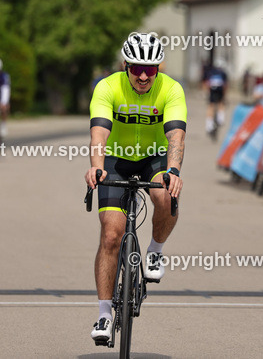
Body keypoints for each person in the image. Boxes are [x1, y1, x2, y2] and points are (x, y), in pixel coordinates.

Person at [85, 32, 185, 344]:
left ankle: (155, 251)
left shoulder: (171, 89)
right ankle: (104, 313)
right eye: (137, 68)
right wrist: (97, 166)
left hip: (154, 158)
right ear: (125, 66)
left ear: (158, 69)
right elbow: (99, 133)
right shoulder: (107, 87)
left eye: (150, 69)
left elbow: (175, 136)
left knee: (165, 194)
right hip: (115, 159)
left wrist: (173, 171)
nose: (143, 76)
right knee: (111, 234)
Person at [203, 58, 228, 138]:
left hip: (212, 90)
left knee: (211, 106)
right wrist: (225, 95)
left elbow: (207, 83)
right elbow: (225, 85)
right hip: (220, 91)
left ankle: (209, 125)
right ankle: (221, 119)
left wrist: (207, 92)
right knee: (221, 103)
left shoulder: (210, 72)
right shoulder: (223, 73)